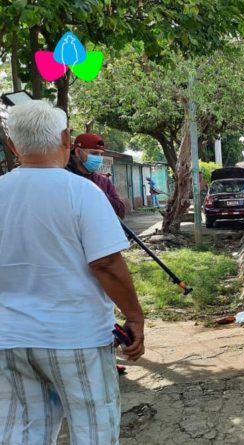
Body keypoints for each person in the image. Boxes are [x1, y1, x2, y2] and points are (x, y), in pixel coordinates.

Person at [0, 100, 145, 444]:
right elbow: (106, 264)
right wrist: (135, 317)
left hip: (9, 338)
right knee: (91, 427)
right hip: (75, 336)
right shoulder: (82, 192)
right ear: (67, 139)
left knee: (22, 429)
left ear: (11, 145)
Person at [67, 132, 126, 219]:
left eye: (101, 154)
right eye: (94, 154)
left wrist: (100, 193)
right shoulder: (66, 177)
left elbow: (120, 212)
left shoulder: (104, 182)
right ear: (78, 152)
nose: (99, 158)